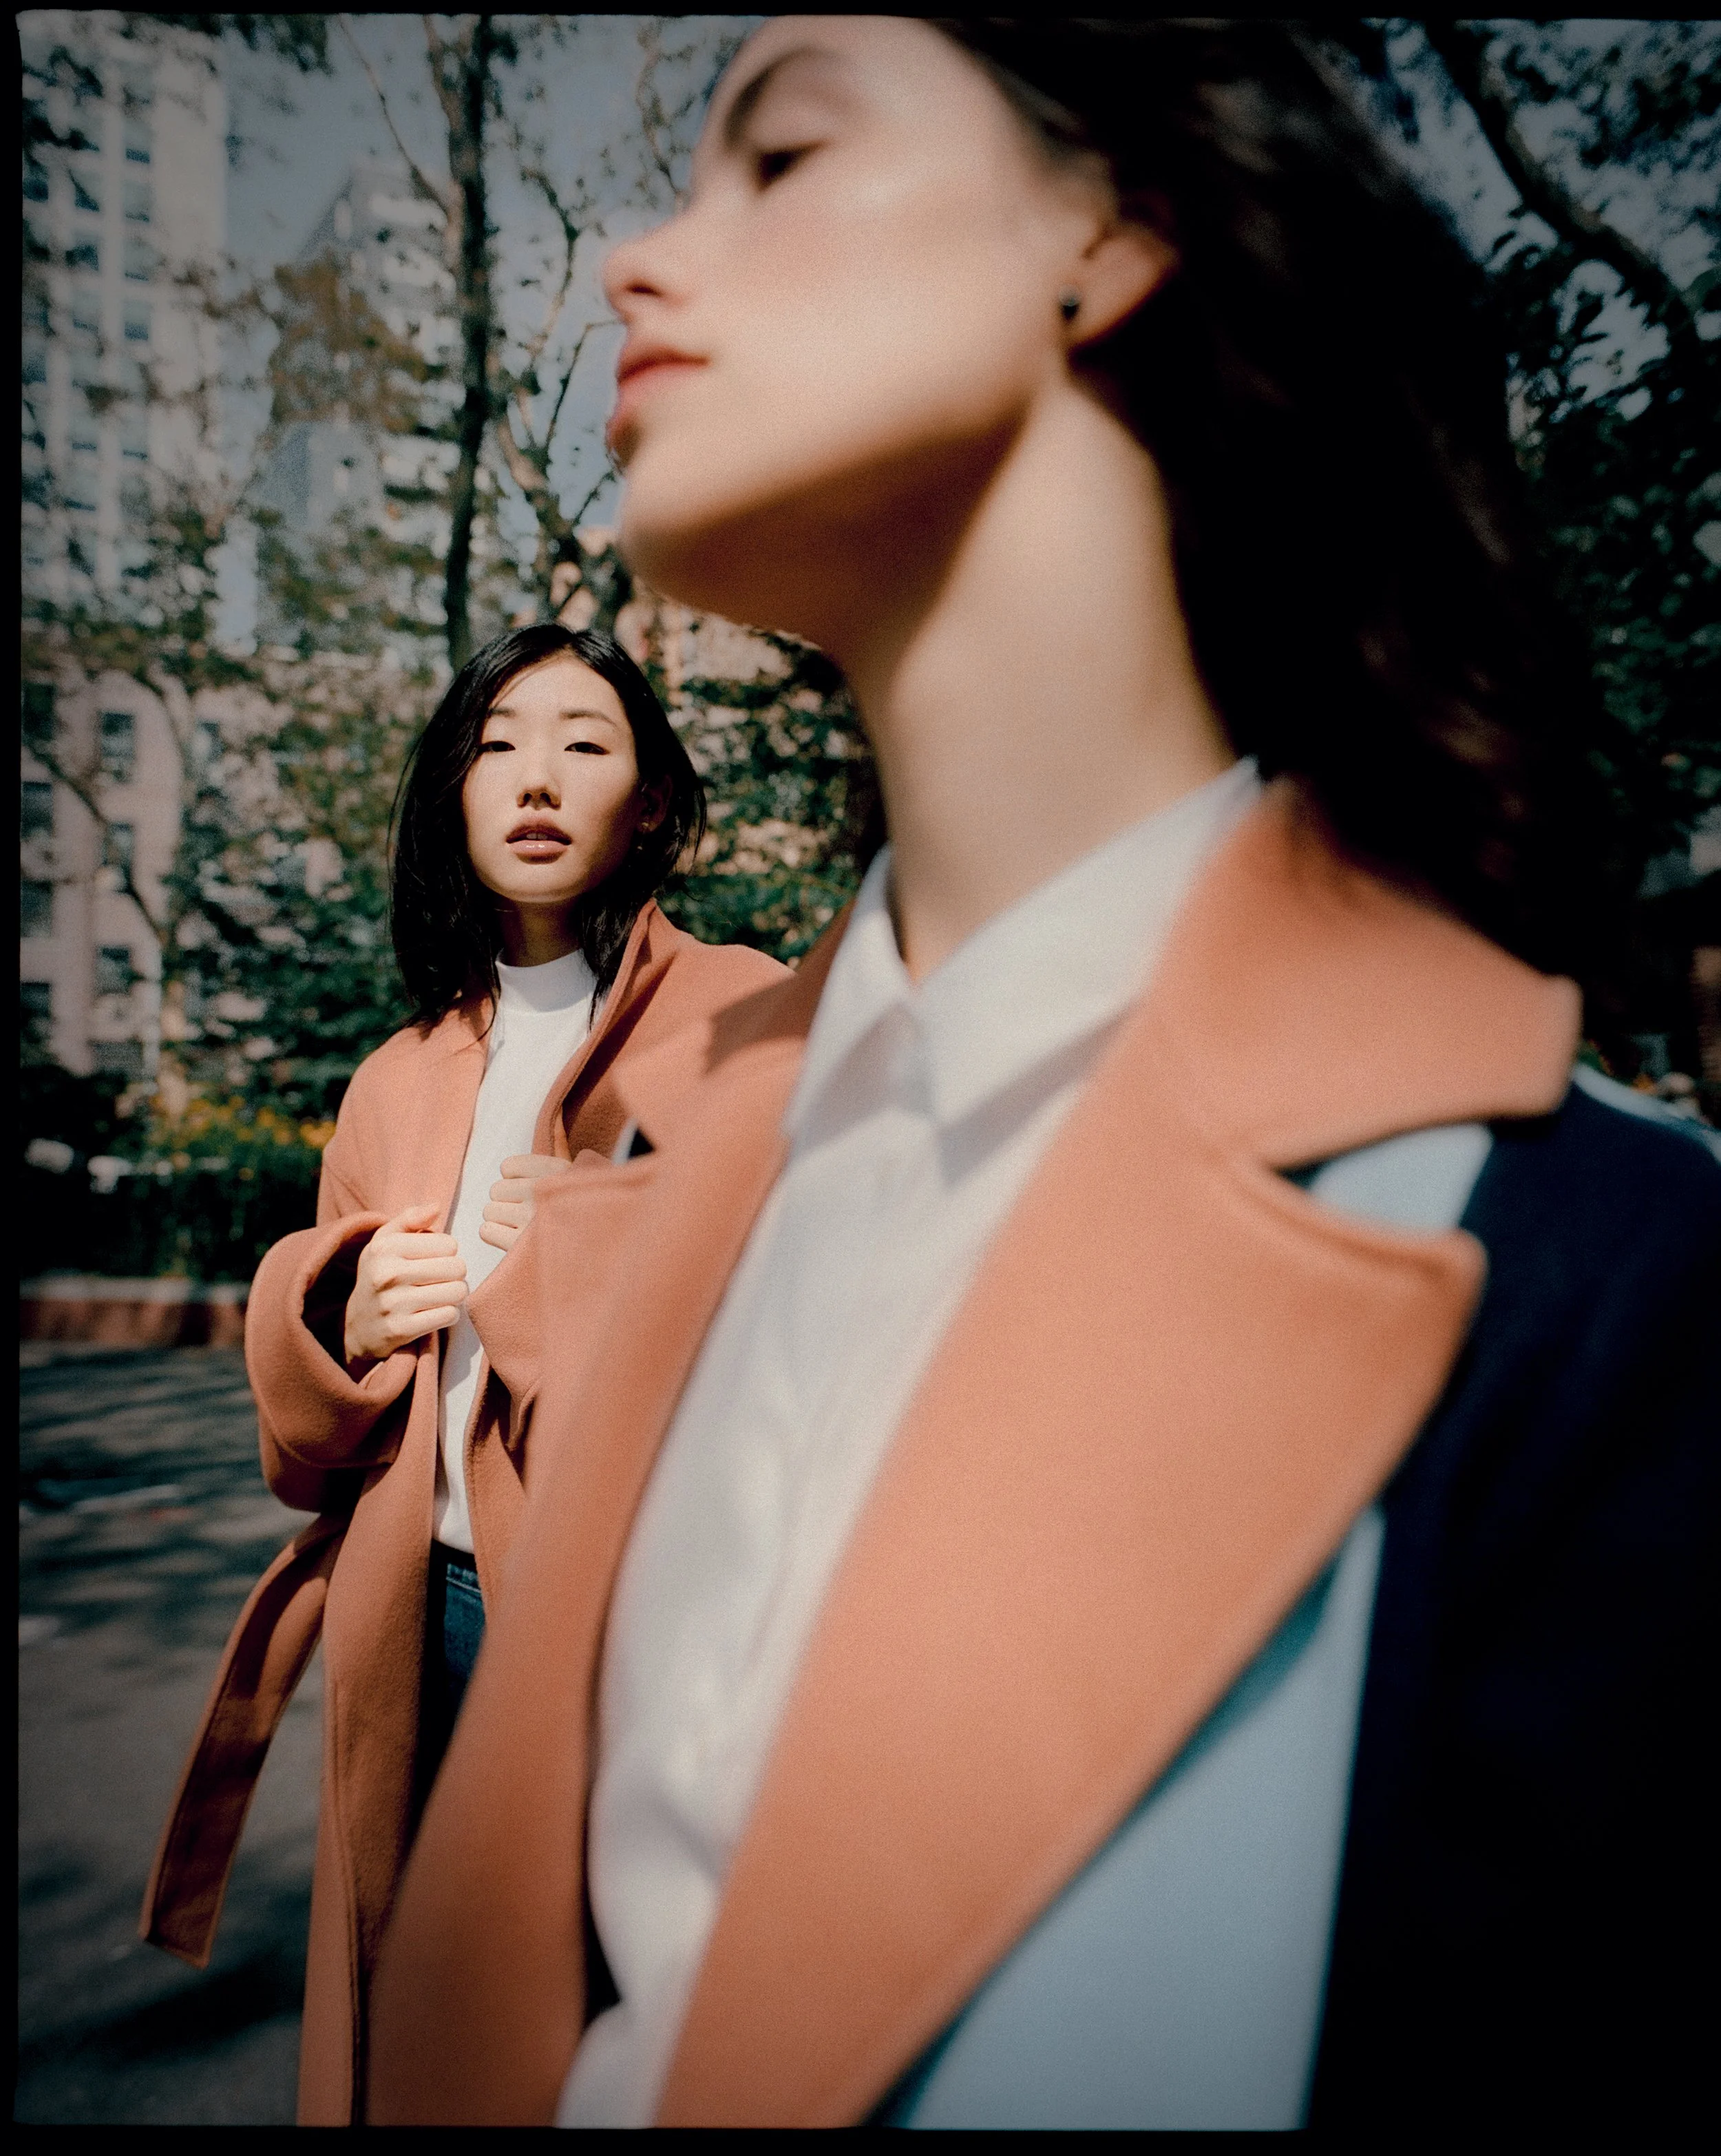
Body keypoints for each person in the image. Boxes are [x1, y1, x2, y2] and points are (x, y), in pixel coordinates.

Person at [366, 19, 1720, 2131]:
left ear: (1113, 227)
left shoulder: (1595, 1281)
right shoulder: (712, 1164)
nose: (637, 260)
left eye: (783, 152)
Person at [139, 623, 787, 2125]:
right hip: (408, 1610)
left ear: (652, 803)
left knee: (613, 2035)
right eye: (498, 741)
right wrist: (341, 1320)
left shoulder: (746, 1019)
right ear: (451, 792)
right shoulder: (398, 1073)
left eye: (584, 739)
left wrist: (590, 1261)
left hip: (619, 1615)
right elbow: (304, 1455)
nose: (537, 776)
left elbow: (794, 1341)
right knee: (423, 2039)